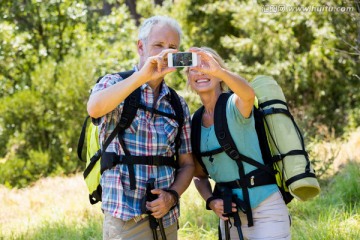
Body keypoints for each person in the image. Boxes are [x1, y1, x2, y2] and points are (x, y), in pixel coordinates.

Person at [87, 16, 194, 240]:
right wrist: (142, 76)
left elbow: (187, 164)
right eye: (158, 45)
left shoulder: (177, 103)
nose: (166, 53)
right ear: (140, 46)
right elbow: (94, 108)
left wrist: (172, 196)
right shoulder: (114, 83)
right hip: (124, 218)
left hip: (166, 218)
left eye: (173, 47)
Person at [186, 47, 291, 240]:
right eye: (193, 68)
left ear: (218, 72)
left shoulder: (234, 104)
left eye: (206, 65)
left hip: (266, 208)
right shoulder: (194, 123)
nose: (201, 72)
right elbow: (199, 176)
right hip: (230, 216)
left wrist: (220, 71)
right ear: (188, 78)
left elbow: (248, 95)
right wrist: (210, 201)